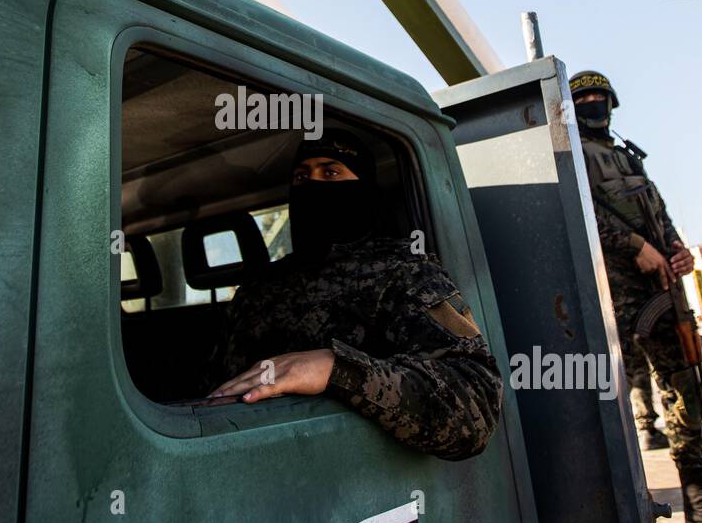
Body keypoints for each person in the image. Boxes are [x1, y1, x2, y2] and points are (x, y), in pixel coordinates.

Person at [205, 129, 504, 461]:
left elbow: (476, 404)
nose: (313, 186)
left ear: (362, 188)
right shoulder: (259, 288)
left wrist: (336, 368)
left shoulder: (405, 273)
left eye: (331, 172)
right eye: (302, 177)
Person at [569, 70, 702, 523]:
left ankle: (701, 504)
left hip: (663, 293)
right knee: (610, 403)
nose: (594, 105)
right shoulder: (572, 157)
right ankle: (610, 521)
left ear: (612, 104)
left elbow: (662, 214)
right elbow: (579, 210)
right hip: (617, 297)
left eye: (600, 98)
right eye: (585, 99)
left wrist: (677, 249)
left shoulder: (628, 158)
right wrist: (633, 245)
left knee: (684, 395)